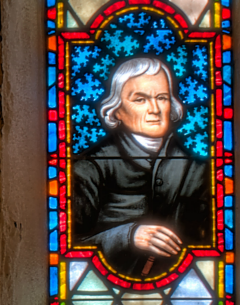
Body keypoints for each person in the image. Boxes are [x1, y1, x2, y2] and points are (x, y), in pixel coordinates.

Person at [72, 56, 210, 278]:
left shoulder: (197, 169)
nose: (154, 109)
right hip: (101, 288)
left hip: (188, 289)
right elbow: (70, 244)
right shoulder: (91, 166)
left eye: (162, 98)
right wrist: (128, 236)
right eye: (140, 99)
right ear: (116, 110)